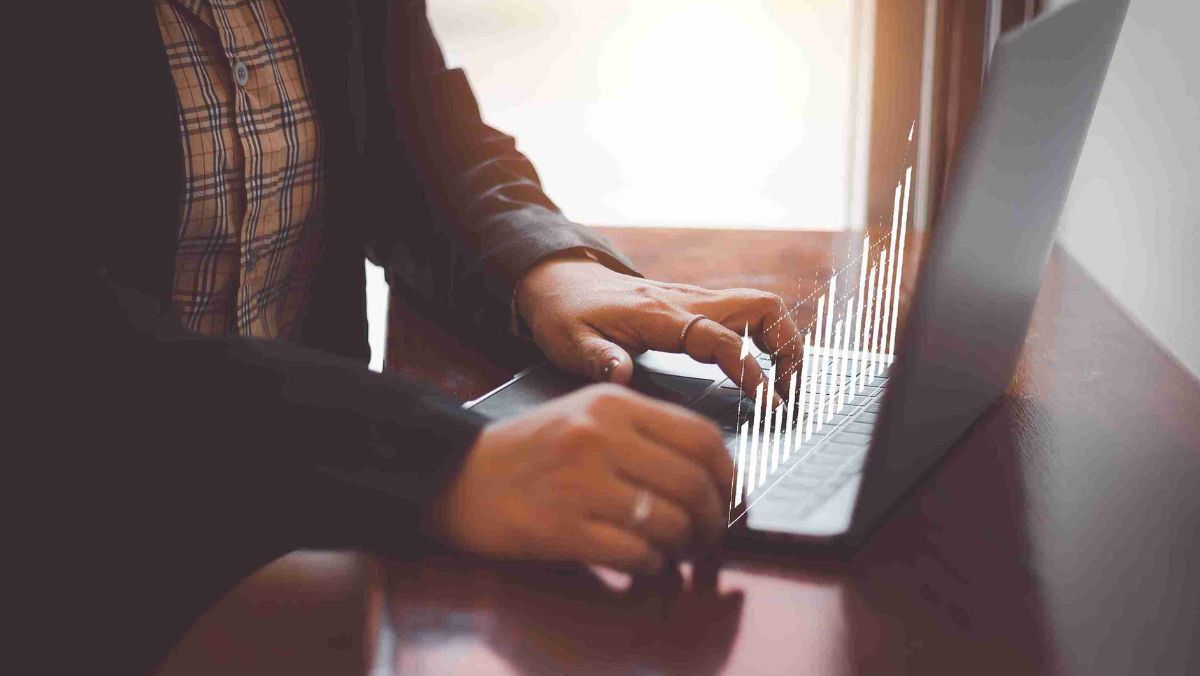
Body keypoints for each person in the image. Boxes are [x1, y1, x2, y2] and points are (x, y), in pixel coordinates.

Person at [23, 0, 800, 672]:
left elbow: (421, 135)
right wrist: (442, 462)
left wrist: (548, 267)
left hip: (320, 543)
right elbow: (58, 347)